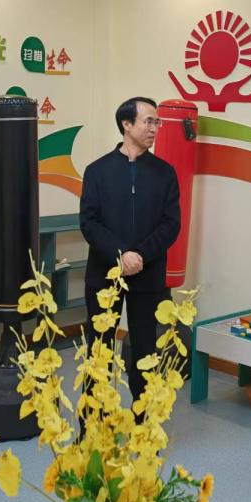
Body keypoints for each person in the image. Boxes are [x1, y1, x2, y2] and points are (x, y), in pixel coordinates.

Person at [79, 97, 181, 406]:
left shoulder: (165, 172)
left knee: (146, 350)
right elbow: (89, 222)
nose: (155, 128)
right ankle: (94, 421)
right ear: (127, 124)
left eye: (157, 122)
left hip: (148, 274)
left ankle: (143, 420)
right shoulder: (97, 171)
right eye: (148, 121)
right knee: (99, 348)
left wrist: (140, 256)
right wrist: (121, 255)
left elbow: (171, 224)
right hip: (105, 272)